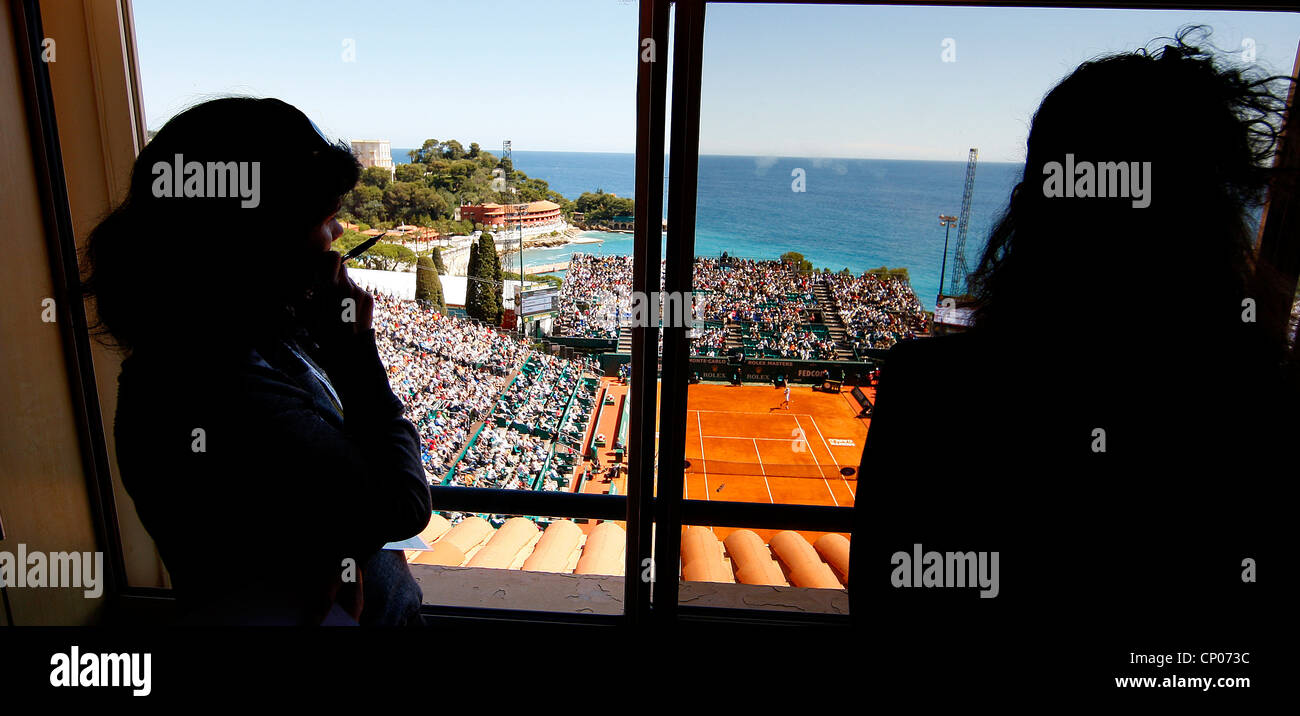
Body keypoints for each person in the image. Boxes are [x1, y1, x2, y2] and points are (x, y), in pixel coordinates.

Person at [852, 28, 1298, 641]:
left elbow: (886, 621)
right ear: (1213, 221)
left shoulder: (932, 390)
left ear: (1032, 208)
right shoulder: (1265, 413)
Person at [82, 98, 432, 625]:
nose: (338, 236)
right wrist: (356, 351)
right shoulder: (213, 384)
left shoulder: (244, 338)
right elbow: (401, 504)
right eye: (327, 218)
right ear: (259, 240)